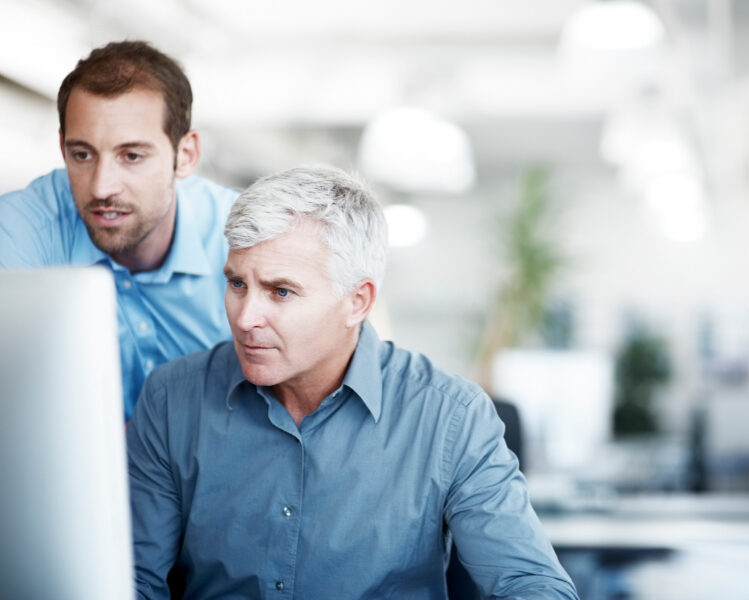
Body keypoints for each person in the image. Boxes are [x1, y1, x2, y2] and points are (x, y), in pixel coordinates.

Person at [126, 165, 579, 599]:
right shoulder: (172, 399)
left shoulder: (450, 418)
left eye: (280, 291)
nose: (246, 318)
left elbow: (534, 585)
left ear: (357, 302)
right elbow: (132, 582)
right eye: (237, 284)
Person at [0, 41, 239, 420]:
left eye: (131, 156)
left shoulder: (243, 241)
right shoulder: (22, 230)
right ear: (63, 148)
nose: (101, 188)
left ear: (185, 155)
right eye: (83, 155)